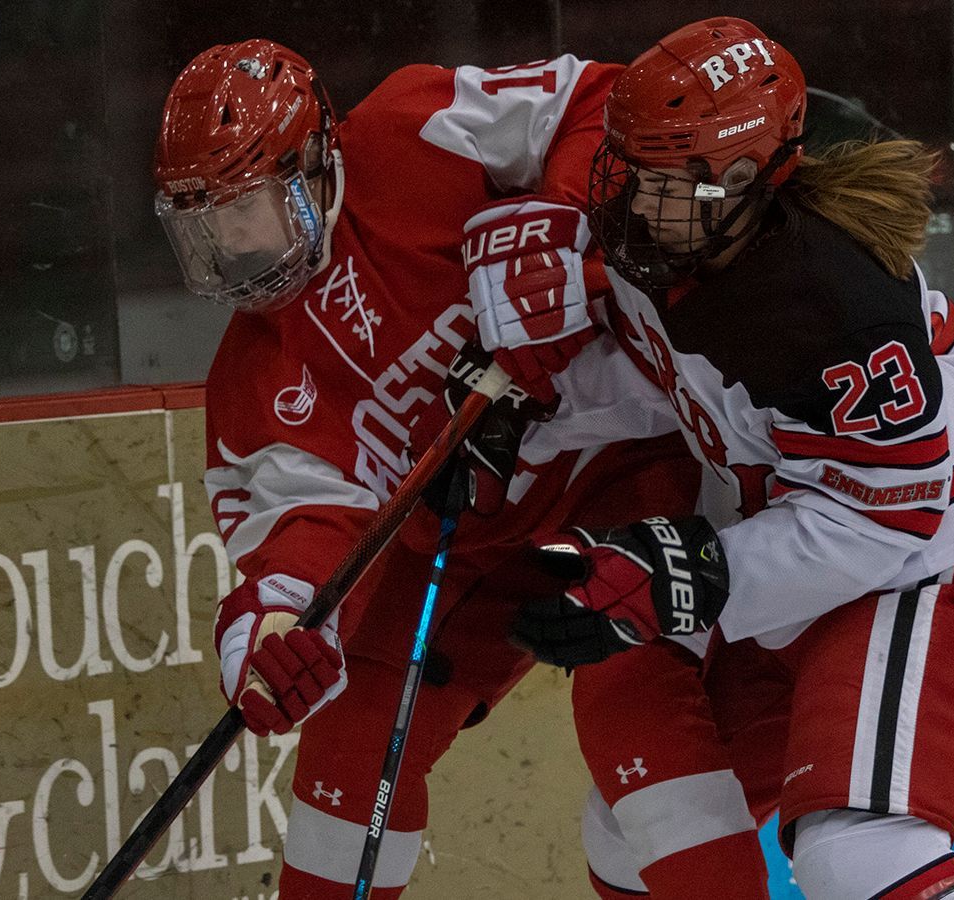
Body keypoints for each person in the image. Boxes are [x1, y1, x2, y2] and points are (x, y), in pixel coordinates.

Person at [153, 39, 768, 899]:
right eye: (203, 226)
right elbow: (310, 530)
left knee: (635, 717)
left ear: (316, 162)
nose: (231, 245)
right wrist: (277, 625)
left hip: (626, 465)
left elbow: (602, 103)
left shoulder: (415, 127)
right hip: (466, 536)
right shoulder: (252, 383)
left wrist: (556, 224)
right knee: (352, 742)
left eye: (246, 208)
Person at [484, 18, 954, 900]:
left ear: (739, 181)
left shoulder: (832, 306)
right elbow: (674, 378)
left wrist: (695, 574)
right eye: (630, 170)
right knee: (636, 831)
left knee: (856, 853)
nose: (632, 202)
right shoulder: (683, 234)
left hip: (918, 563)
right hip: (802, 563)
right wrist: (531, 417)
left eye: (662, 182)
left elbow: (885, 518)